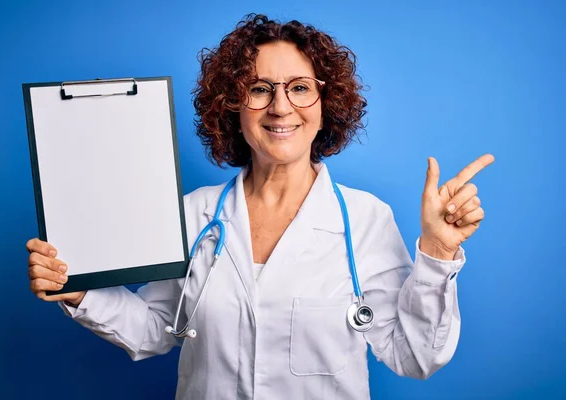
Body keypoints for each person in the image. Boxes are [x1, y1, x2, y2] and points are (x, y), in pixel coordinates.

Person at [26, 14, 494, 400]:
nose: (280, 107)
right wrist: (78, 290)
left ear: (325, 103)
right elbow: (155, 329)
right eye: (259, 88)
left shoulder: (366, 221)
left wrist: (436, 251)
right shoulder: (195, 215)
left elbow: (414, 357)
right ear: (233, 106)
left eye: (299, 87)